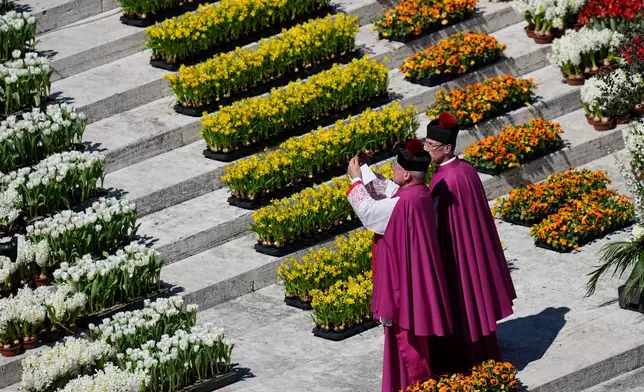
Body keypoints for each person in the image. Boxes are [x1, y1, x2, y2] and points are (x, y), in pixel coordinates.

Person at [346, 139, 452, 392]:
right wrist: (367, 172)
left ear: (406, 173)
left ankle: (415, 386)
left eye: (394, 168)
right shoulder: (419, 192)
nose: (391, 173)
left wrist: (354, 180)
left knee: (406, 339)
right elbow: (392, 190)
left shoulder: (402, 204)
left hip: (399, 280)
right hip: (414, 274)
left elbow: (369, 211)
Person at [424, 112, 517, 373]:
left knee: (462, 303)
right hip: (473, 248)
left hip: (454, 254)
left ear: (448, 148)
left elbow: (438, 223)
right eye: (427, 144)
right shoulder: (466, 169)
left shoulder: (444, 179)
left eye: (432, 146)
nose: (427, 149)